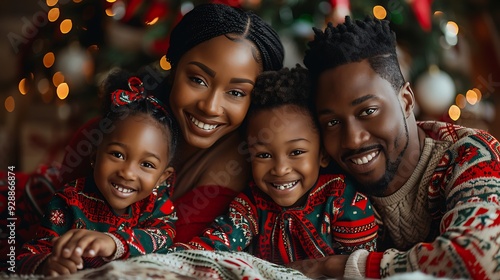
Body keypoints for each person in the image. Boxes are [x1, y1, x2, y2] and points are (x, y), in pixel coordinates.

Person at [10, 2, 285, 258]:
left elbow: (175, 251)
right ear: (174, 68)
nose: (211, 107)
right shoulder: (117, 125)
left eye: (236, 92)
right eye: (197, 79)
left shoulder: (240, 162)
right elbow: (60, 224)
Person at [290, 16, 500, 279]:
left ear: (407, 100)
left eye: (368, 111)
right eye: (332, 122)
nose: (353, 139)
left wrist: (336, 266)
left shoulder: (472, 156)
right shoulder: (327, 183)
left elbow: (479, 258)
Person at [169, 66, 378, 265]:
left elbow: (356, 267)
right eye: (264, 154)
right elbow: (217, 243)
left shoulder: (343, 200)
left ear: (322, 154)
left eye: (296, 152)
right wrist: (171, 261)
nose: (280, 169)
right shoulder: (251, 205)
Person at [16, 71, 178, 276]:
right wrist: (47, 263)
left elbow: (164, 236)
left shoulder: (156, 205)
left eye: (147, 164)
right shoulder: (69, 202)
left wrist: (113, 243)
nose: (127, 173)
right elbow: (25, 256)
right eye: (117, 154)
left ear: (163, 177)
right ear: (94, 156)